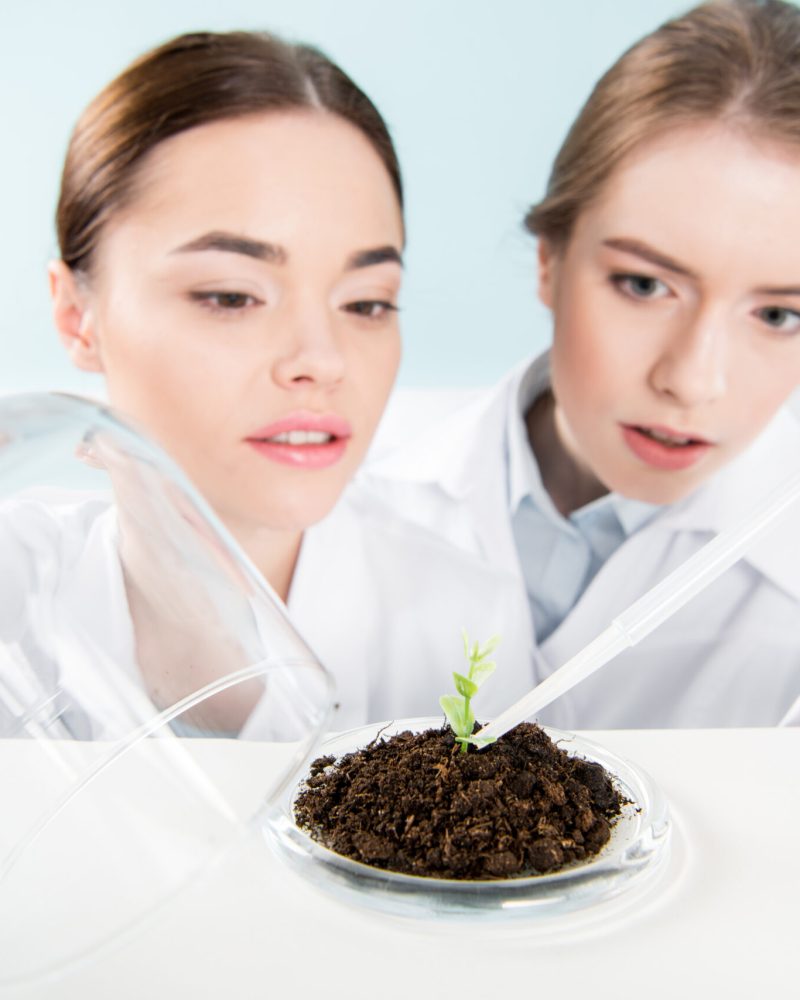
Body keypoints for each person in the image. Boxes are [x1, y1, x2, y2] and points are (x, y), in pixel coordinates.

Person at [342, 0, 800, 728]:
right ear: (550, 261)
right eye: (645, 285)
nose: (691, 380)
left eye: (779, 315)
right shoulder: (342, 487)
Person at [1, 30, 405, 737]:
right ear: (77, 316)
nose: (322, 358)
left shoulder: (468, 613)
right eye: (230, 295)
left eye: (367, 302)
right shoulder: (16, 584)